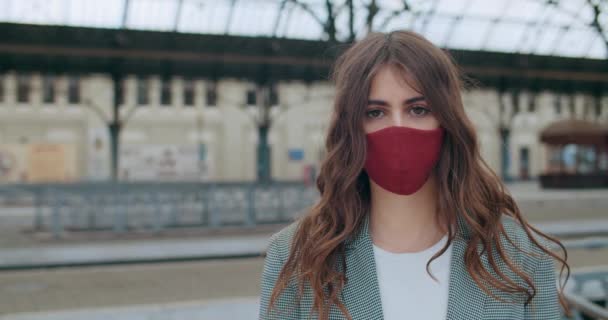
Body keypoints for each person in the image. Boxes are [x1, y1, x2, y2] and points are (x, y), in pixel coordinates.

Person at [258, 30, 569, 320]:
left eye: (418, 109)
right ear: (350, 128)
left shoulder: (516, 251)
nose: (398, 128)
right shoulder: (296, 255)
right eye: (375, 113)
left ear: (447, 120)